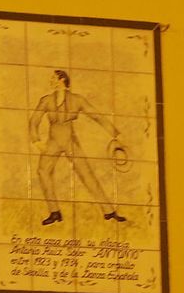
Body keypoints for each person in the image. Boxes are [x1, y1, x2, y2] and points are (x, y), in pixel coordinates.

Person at [28, 69, 128, 228]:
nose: (51, 81)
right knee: (42, 171)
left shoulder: (77, 99)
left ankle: (109, 211)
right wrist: (36, 140)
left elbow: (97, 116)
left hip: (69, 139)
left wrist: (116, 133)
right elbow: (33, 121)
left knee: (85, 173)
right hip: (53, 140)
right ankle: (55, 212)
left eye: (53, 78)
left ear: (62, 80)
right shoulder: (46, 100)